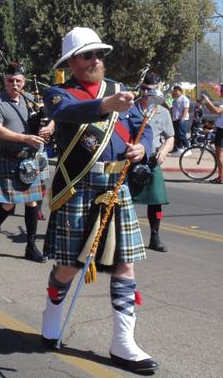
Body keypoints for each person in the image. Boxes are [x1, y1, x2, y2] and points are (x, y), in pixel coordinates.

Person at [41, 27, 157, 374]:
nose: (96, 60)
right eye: (88, 55)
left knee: (125, 264)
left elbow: (145, 126)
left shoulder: (120, 90)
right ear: (72, 62)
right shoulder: (58, 93)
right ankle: (52, 311)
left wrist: (143, 148)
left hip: (116, 184)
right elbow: (68, 115)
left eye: (99, 54)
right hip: (78, 186)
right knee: (70, 265)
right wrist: (107, 106)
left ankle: (123, 342)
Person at [0, 62, 53, 262]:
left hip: (31, 158)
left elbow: (51, 115)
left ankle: (30, 246)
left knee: (32, 202)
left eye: (18, 81)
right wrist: (24, 138)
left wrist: (50, 127)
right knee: (8, 205)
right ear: (5, 81)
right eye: (10, 80)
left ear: (24, 81)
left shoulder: (30, 99)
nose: (14, 84)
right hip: (10, 157)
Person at [128, 71, 174, 252]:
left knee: (156, 201)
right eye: (143, 88)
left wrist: (164, 151)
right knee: (125, 199)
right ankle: (124, 235)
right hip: (130, 160)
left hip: (152, 161)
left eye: (150, 89)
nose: (146, 92)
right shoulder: (130, 108)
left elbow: (171, 138)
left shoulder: (163, 112)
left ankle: (155, 236)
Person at [200, 82, 223, 184]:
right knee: (214, 142)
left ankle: (221, 178)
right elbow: (221, 115)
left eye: (222, 89)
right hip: (221, 127)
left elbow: (217, 111)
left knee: (218, 154)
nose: (220, 91)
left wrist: (207, 101)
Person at [169, 85, 190, 155]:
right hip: (175, 119)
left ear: (180, 91)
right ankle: (179, 149)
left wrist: (182, 119)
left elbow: (186, 109)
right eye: (174, 91)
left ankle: (188, 148)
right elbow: (172, 110)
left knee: (182, 135)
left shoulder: (184, 99)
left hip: (182, 120)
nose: (175, 92)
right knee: (177, 135)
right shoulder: (174, 100)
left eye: (176, 91)